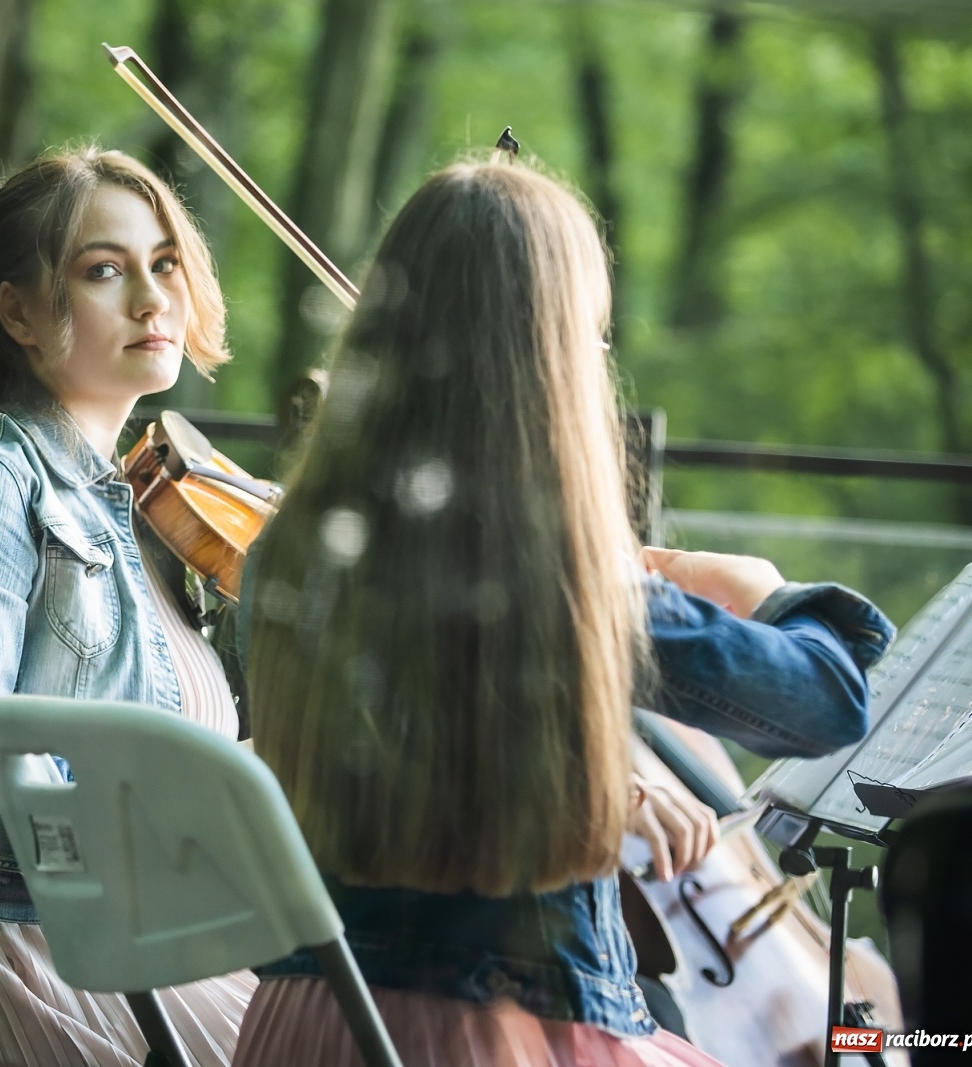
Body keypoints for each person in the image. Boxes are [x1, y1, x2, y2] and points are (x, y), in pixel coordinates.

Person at [230, 160, 895, 1066]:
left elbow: (428, 744)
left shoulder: (286, 551)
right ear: (550, 359)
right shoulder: (562, 578)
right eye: (592, 337)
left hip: (302, 1021)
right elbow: (828, 702)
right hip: (499, 1033)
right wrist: (761, 590)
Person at [0, 146, 255, 1067]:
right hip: (23, 956)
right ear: (19, 312)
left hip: (138, 949)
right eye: (104, 271)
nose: (153, 302)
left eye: (166, 264)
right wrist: (175, 824)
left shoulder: (143, 516)